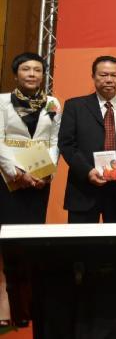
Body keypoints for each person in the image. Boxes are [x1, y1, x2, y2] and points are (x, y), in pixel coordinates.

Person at [0, 53, 61, 328]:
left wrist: (42, 172)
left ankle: (33, 307)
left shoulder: (52, 103)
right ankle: (16, 311)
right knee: (12, 246)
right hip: (8, 180)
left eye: (37, 70)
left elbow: (54, 139)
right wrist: (16, 172)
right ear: (16, 74)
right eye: (26, 69)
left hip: (39, 180)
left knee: (33, 243)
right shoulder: (1, 102)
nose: (32, 74)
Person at [60, 55, 116, 223]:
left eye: (114, 75)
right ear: (93, 76)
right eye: (103, 75)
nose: (109, 80)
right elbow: (66, 144)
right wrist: (87, 171)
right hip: (83, 188)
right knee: (81, 246)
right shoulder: (75, 106)